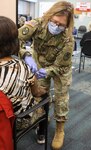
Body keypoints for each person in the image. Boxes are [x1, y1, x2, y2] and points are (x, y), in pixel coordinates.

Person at [18, 1, 74, 149]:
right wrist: (25, 55)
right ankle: (42, 117)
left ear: (67, 25)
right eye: (55, 21)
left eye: (61, 25)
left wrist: (48, 71)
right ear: (49, 16)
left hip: (60, 68)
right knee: (40, 93)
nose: (57, 26)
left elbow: (60, 66)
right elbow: (15, 40)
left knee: (61, 96)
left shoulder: (68, 38)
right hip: (39, 63)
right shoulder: (37, 24)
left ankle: (60, 129)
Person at [0, 16, 47, 148]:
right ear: (14, 41)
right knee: (44, 96)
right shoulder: (21, 67)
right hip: (17, 119)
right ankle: (41, 133)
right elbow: (36, 92)